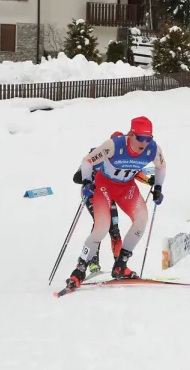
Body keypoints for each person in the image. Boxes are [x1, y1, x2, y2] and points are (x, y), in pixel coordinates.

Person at [65, 116, 167, 290]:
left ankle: (121, 264)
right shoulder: (114, 145)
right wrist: (87, 181)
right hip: (104, 185)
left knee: (141, 219)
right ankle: (80, 270)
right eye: (140, 138)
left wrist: (157, 186)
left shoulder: (153, 149)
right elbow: (88, 161)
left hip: (126, 188)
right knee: (102, 228)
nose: (144, 142)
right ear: (131, 134)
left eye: (148, 138)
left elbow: (161, 167)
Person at [72, 131, 125, 273]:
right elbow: (76, 177)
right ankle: (93, 263)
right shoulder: (97, 153)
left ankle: (119, 266)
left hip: (108, 195)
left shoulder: (121, 160)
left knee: (114, 227)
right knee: (100, 224)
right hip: (92, 194)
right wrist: (91, 178)